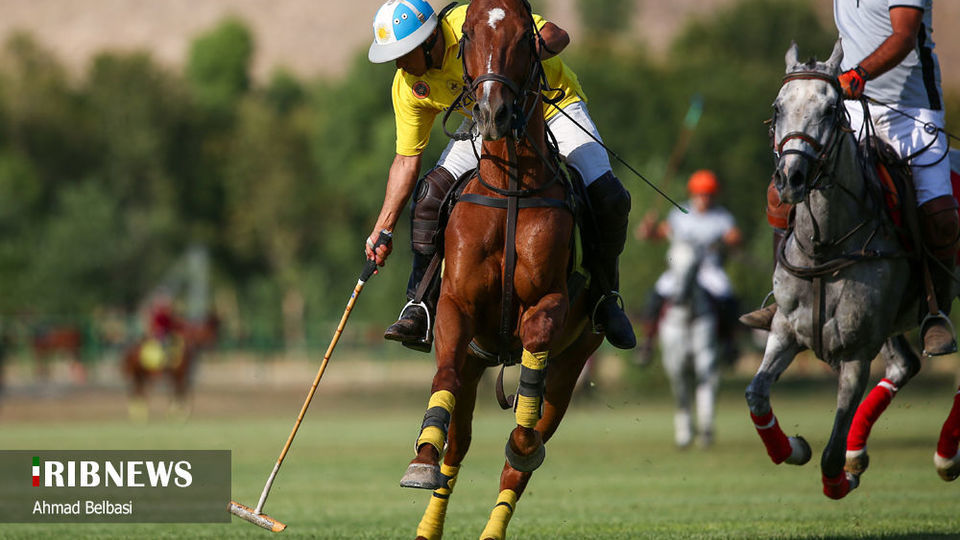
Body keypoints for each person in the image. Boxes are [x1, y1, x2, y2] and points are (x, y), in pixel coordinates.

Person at [363, 0, 635, 352]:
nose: (399, 64)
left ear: (431, 41)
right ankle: (420, 305)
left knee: (608, 197)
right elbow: (405, 162)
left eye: (405, 53)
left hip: (554, 105)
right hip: (490, 117)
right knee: (430, 195)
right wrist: (383, 228)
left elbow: (557, 34)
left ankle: (605, 297)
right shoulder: (409, 85)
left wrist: (524, 54)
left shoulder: (473, 21)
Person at [740, 0, 957, 356]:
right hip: (850, 106)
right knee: (781, 196)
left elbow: (904, 36)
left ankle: (935, 312)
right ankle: (782, 297)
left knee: (940, 215)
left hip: (911, 110)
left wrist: (859, 74)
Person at [636, 170, 742, 447]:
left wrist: (723, 241)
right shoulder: (679, 213)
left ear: (713, 194)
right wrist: (648, 231)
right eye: (700, 193)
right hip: (679, 272)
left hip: (709, 272)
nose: (704, 197)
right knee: (656, 295)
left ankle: (731, 342)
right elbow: (660, 234)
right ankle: (647, 342)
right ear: (693, 193)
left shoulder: (721, 217)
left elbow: (734, 236)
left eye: (708, 193)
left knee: (729, 297)